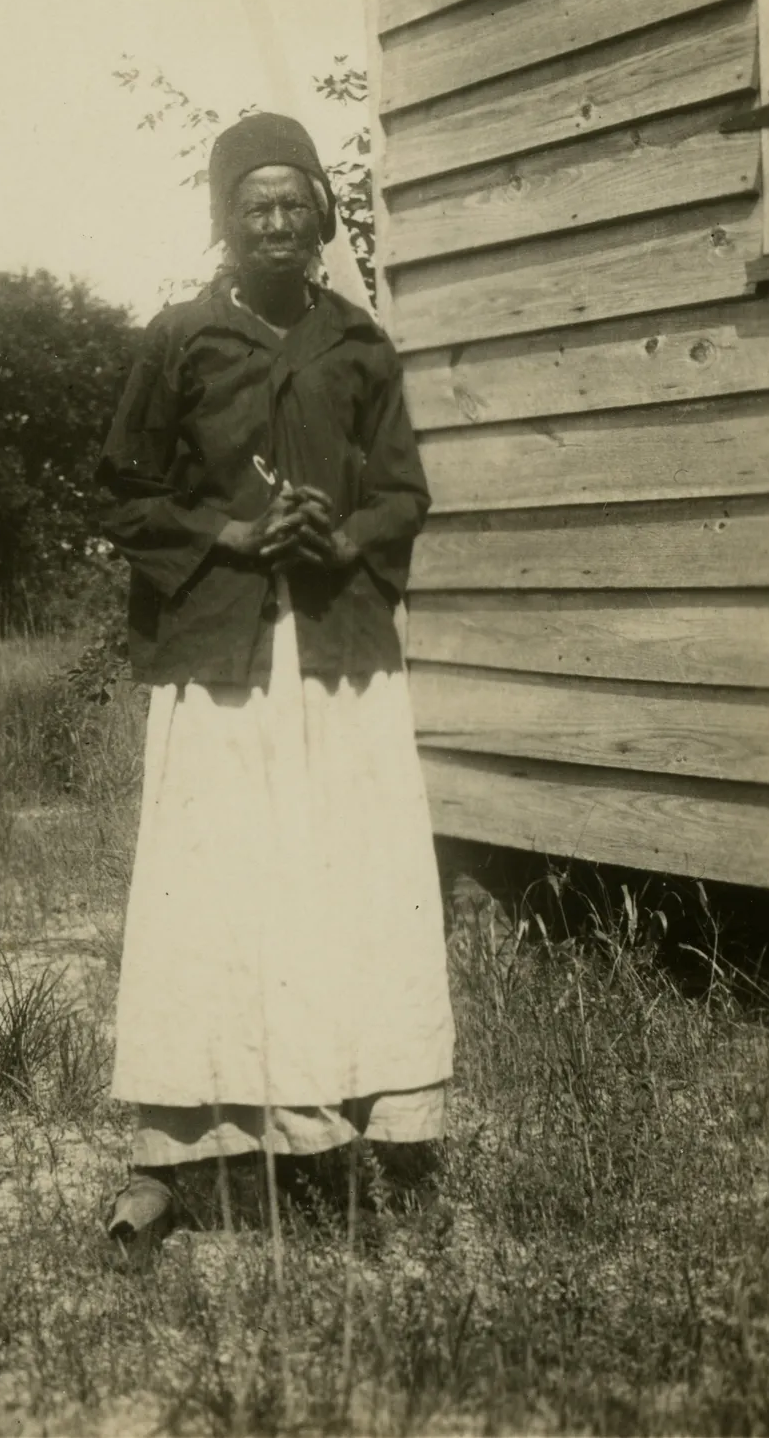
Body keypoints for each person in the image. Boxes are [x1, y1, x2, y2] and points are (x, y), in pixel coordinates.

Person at [95, 112, 455, 1247]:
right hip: (224, 659)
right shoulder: (182, 340)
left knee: (345, 881)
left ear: (321, 217)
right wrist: (234, 534)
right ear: (223, 220)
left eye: (293, 203)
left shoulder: (358, 345)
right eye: (252, 205)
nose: (274, 222)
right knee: (216, 886)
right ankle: (185, 1145)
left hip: (339, 657)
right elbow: (124, 493)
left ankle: (368, 1120)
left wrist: (341, 538)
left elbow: (402, 492)